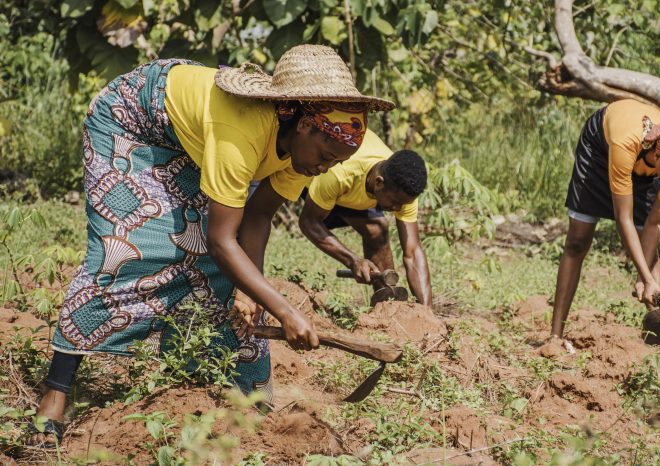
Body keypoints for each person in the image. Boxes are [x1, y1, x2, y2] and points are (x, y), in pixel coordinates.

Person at [30, 44, 394, 447]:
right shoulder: (243, 131)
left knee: (226, 278)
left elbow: (257, 216)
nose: (324, 169)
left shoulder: (302, 154)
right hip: (130, 121)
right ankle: (56, 392)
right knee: (124, 250)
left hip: (192, 141)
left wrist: (247, 289)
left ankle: (248, 402)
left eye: (335, 163)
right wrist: (285, 310)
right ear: (305, 127)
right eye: (325, 156)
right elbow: (223, 240)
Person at [550, 99, 660, 340]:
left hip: (644, 163)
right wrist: (645, 277)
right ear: (658, 157)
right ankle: (555, 337)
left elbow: (655, 224)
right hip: (601, 149)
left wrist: (645, 278)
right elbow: (624, 219)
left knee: (650, 256)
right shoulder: (625, 143)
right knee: (578, 240)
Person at [298, 142, 432, 306]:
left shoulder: (404, 189)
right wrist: (353, 260)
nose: (398, 208)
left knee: (377, 230)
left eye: (403, 204)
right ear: (379, 182)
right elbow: (308, 222)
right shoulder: (341, 173)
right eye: (395, 202)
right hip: (316, 182)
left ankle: (385, 306)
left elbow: (413, 253)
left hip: (352, 191)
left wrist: (427, 311)